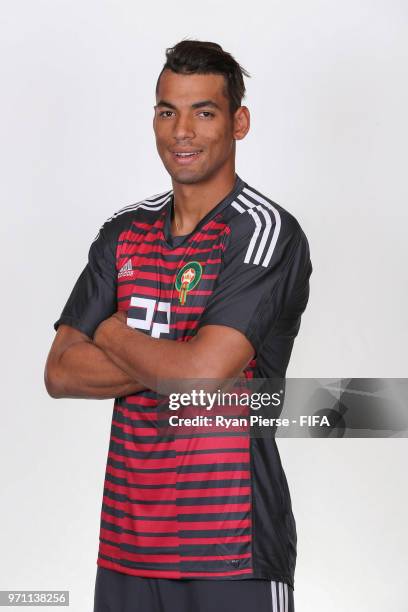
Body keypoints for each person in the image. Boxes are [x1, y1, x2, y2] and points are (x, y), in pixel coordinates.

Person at [45, 40, 312, 612]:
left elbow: (201, 378)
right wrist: (176, 356)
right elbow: (61, 370)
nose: (181, 130)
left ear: (238, 122)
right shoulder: (123, 232)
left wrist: (114, 335)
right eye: (168, 111)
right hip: (127, 545)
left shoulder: (263, 232)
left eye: (203, 112)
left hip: (230, 548)